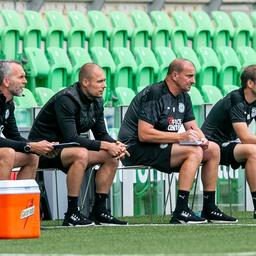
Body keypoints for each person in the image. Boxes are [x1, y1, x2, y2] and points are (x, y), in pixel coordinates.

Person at [118, 58, 237, 224]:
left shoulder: (184, 97)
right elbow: (144, 134)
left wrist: (202, 139)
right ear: (174, 75)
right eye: (189, 76)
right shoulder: (155, 93)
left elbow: (192, 126)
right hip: (134, 148)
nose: (193, 81)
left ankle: (209, 208)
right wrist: (181, 137)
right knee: (193, 151)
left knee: (213, 149)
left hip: (161, 147)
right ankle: (181, 210)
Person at [29, 63, 128, 226]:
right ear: (85, 82)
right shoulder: (66, 99)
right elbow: (72, 138)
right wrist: (105, 145)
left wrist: (117, 145)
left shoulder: (97, 100)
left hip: (66, 150)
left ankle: (100, 211)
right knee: (80, 152)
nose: (104, 85)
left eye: (104, 81)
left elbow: (101, 134)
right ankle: (72, 214)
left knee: (112, 156)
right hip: (43, 152)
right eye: (100, 81)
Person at [202, 64, 256, 219]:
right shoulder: (236, 99)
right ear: (250, 84)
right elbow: (245, 137)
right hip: (211, 145)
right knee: (253, 151)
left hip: (228, 144)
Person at [0, 60, 54, 180]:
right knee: (7, 153)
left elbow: (14, 137)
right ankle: (2, 198)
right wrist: (29, 146)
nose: (25, 81)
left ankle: (21, 198)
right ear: (6, 81)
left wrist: (39, 148)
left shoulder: (8, 104)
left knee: (32, 157)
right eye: (21, 77)